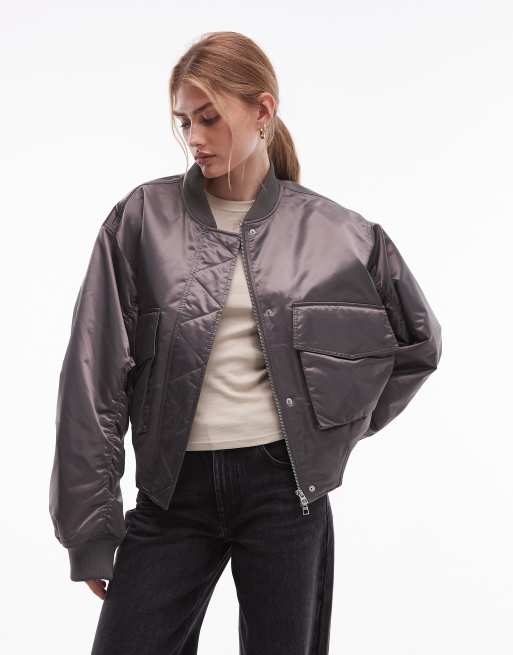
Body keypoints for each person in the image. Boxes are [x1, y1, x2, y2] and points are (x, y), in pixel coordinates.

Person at [49, 31, 442, 655]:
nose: (194, 138)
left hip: (286, 493)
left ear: (263, 111)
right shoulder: (141, 220)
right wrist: (90, 528)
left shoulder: (340, 234)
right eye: (185, 122)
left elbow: (417, 344)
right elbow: (93, 379)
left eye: (209, 118)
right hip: (171, 493)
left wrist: (328, 427)